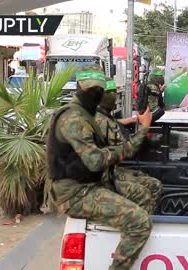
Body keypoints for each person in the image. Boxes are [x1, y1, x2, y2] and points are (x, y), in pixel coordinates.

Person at [46, 65, 153, 270]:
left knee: (144, 193)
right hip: (77, 193)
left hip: (91, 184)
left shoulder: (86, 114)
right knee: (139, 222)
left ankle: (125, 244)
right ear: (79, 87)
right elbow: (95, 160)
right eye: (90, 89)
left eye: (99, 90)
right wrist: (126, 147)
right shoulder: (73, 118)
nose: (95, 94)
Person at [96, 78, 163, 212]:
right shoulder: (99, 119)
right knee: (145, 192)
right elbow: (127, 150)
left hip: (106, 171)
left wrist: (124, 121)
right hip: (99, 178)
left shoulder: (98, 114)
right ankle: (139, 225)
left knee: (151, 182)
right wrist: (144, 126)